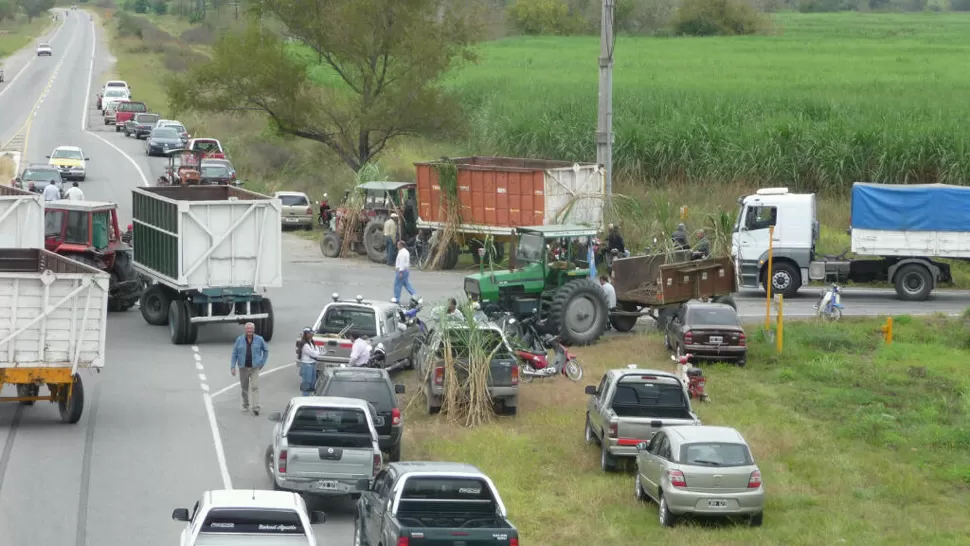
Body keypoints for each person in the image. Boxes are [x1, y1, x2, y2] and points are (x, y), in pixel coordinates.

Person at [230, 322, 269, 415]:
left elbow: (266, 351)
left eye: (251, 329)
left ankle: (256, 407)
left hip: (255, 368)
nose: (249, 330)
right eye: (248, 329)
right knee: (244, 388)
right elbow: (234, 353)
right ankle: (245, 404)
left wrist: (262, 362)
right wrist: (232, 366)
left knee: (255, 387)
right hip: (243, 368)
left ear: (254, 330)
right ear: (245, 330)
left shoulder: (259, 339)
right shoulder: (239, 340)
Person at [296, 327, 322, 396]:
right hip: (307, 365)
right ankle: (305, 398)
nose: (312, 335)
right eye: (310, 333)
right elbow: (313, 353)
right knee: (307, 384)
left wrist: (317, 351)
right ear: (306, 334)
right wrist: (317, 352)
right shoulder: (305, 344)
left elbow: (317, 350)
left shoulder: (311, 342)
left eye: (312, 333)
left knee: (313, 383)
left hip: (312, 364)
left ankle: (309, 397)